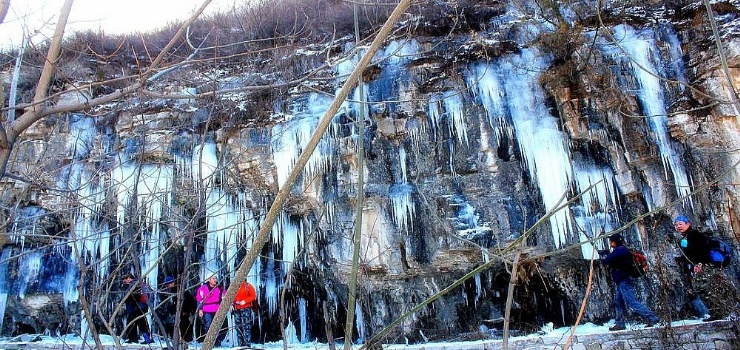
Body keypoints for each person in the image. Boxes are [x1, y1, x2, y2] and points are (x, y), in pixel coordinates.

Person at [600, 233, 660, 331]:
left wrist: (604, 255)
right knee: (618, 302)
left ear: (614, 242)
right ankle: (620, 323)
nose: (610, 243)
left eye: (611, 241)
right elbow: (613, 261)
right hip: (621, 280)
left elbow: (607, 261)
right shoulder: (621, 251)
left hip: (624, 280)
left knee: (631, 302)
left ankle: (652, 317)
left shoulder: (620, 251)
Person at [157, 275, 197, 343]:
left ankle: (186, 339)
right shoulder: (172, 290)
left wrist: (186, 311)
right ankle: (178, 338)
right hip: (178, 310)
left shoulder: (180, 289)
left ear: (172, 282)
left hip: (185, 310)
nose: (168, 286)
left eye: (168, 284)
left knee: (184, 324)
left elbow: (187, 300)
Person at [121, 273, 154, 344]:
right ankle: (134, 338)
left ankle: (144, 339)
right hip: (141, 307)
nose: (124, 281)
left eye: (125, 280)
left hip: (136, 307)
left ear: (129, 278)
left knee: (139, 323)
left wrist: (122, 302)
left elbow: (129, 296)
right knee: (136, 322)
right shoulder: (139, 283)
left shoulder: (133, 285)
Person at [196, 273, 226, 346]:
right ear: (209, 279)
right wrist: (200, 309)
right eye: (213, 278)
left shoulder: (220, 288)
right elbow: (199, 299)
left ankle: (217, 341)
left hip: (217, 309)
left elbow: (225, 296)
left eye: (215, 278)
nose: (215, 280)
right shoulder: (202, 288)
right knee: (208, 325)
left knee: (218, 325)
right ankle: (209, 342)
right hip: (207, 310)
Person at [232, 280, 260, 347]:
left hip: (246, 308)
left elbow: (253, 296)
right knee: (238, 327)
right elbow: (230, 297)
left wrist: (245, 301)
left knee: (246, 327)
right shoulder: (233, 286)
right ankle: (240, 345)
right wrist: (232, 304)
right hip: (236, 309)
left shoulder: (248, 286)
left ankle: (247, 345)